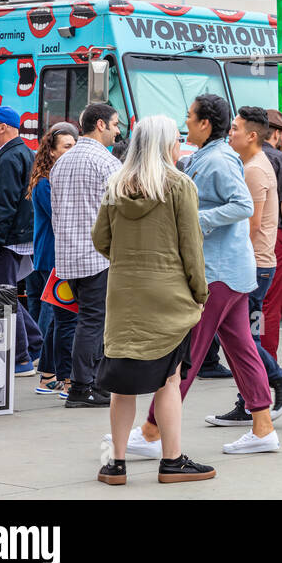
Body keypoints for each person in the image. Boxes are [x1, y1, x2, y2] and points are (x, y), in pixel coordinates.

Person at [134, 94, 280, 455]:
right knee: (242, 349)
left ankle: (153, 431)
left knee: (188, 353)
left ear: (204, 124)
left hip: (217, 274)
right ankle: (263, 429)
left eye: (189, 117)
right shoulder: (206, 156)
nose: (185, 124)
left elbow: (243, 205)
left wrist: (196, 221)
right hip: (226, 271)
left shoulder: (216, 159)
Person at [94, 115, 215, 485]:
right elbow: (191, 247)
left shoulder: (115, 184)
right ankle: (172, 461)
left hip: (123, 295)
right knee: (169, 379)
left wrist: (128, 258)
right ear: (166, 145)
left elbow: (101, 239)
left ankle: (114, 464)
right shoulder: (179, 185)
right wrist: (200, 292)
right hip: (168, 295)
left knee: (121, 383)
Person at [205, 106, 282, 429]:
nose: (228, 133)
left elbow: (249, 223)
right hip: (254, 263)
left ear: (251, 135)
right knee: (239, 335)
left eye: (234, 129)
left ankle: (279, 379)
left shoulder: (255, 170)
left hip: (254, 264)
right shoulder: (249, 164)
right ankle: (249, 401)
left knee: (242, 337)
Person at [51, 103, 122, 407]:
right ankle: (85, 386)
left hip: (68, 254)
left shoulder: (61, 163)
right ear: (101, 125)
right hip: (98, 255)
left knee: (84, 320)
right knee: (94, 322)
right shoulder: (106, 163)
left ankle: (84, 385)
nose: (118, 130)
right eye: (115, 124)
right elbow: (121, 210)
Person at [0, 107, 41, 375]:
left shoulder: (9, 157)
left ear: (2, 127)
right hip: (20, 237)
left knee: (3, 297)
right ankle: (35, 345)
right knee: (6, 294)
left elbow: (4, 205)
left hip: (7, 240)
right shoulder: (24, 152)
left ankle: (22, 358)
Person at [28, 123, 80, 395]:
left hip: (56, 256)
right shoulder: (46, 183)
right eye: (66, 147)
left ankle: (48, 376)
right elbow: (60, 219)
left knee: (59, 319)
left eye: (75, 146)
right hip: (53, 257)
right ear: (52, 151)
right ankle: (58, 377)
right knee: (59, 319)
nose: (72, 151)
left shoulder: (53, 179)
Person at [258, 109, 282, 358]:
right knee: (273, 303)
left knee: (255, 303)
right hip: (275, 238)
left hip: (250, 239)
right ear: (278, 134)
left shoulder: (248, 158)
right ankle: (268, 360)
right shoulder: (279, 159)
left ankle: (253, 356)